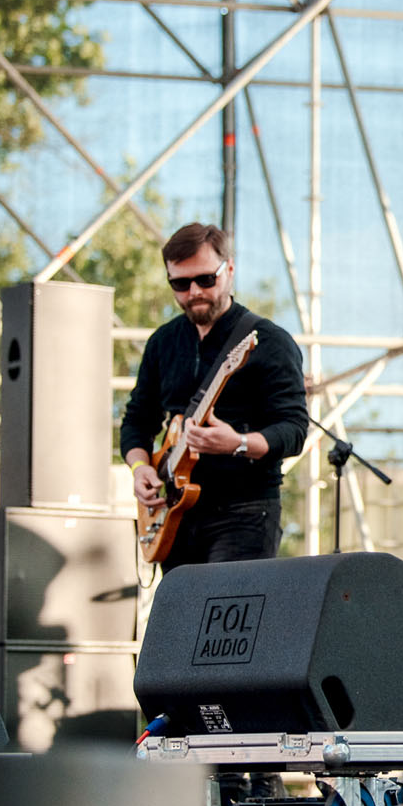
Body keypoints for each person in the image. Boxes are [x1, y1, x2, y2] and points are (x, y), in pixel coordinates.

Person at [121, 222, 307, 574]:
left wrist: (237, 443)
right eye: (180, 284)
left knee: (229, 607)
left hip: (244, 511)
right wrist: (140, 468)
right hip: (175, 512)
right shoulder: (163, 342)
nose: (194, 292)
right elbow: (137, 420)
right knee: (180, 609)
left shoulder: (270, 342)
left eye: (206, 279)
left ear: (229, 269)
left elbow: (294, 430)